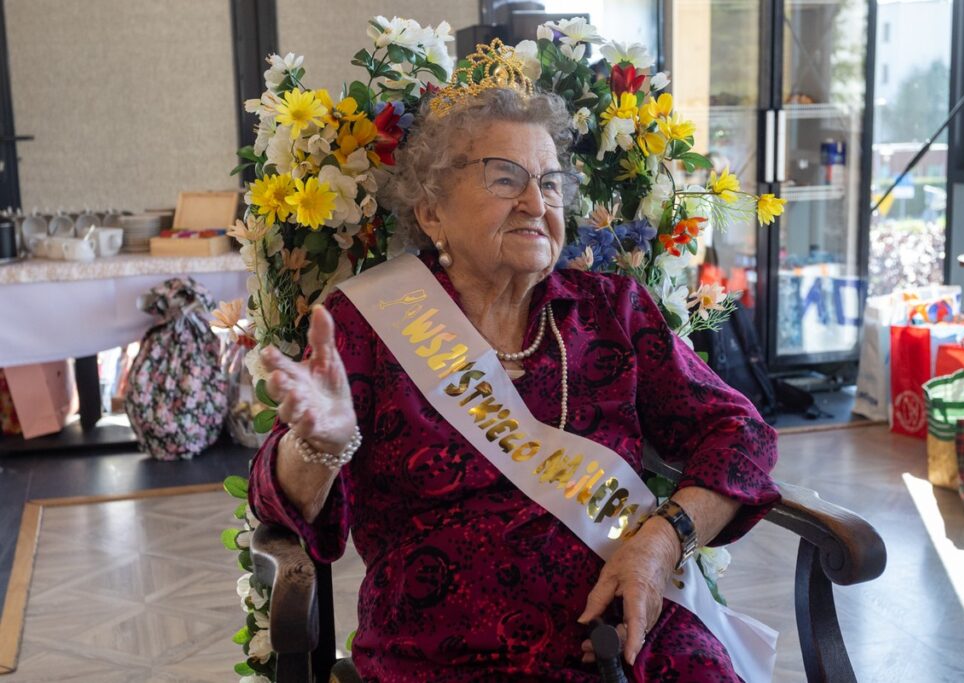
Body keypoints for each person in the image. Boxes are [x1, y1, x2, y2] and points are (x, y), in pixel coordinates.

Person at [249, 56, 780, 682]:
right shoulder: (366, 325)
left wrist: (663, 541)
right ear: (431, 211)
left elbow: (741, 435)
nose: (536, 202)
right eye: (505, 179)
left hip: (633, 636)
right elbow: (275, 503)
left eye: (550, 183)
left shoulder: (611, 311)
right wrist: (318, 448)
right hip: (444, 652)